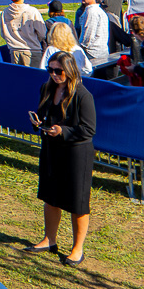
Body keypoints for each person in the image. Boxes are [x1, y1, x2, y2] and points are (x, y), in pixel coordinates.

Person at [25, 49, 97, 265]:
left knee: (77, 202)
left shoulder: (83, 95)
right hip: (51, 148)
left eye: (59, 71)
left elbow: (89, 129)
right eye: (51, 70)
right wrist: (38, 122)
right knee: (50, 195)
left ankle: (77, 249)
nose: (54, 75)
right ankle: (49, 239)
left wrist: (63, 131)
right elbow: (45, 113)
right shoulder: (47, 88)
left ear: (70, 71)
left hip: (76, 153)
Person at [0, 0, 47, 67]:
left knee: (19, 78)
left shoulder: (5, 12)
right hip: (32, 50)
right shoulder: (32, 11)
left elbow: (3, 33)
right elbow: (42, 33)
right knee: (35, 77)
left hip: (14, 50)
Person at [74, 0, 113, 77]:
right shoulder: (97, 10)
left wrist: (81, 47)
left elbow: (89, 33)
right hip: (101, 51)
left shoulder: (91, 11)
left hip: (92, 53)